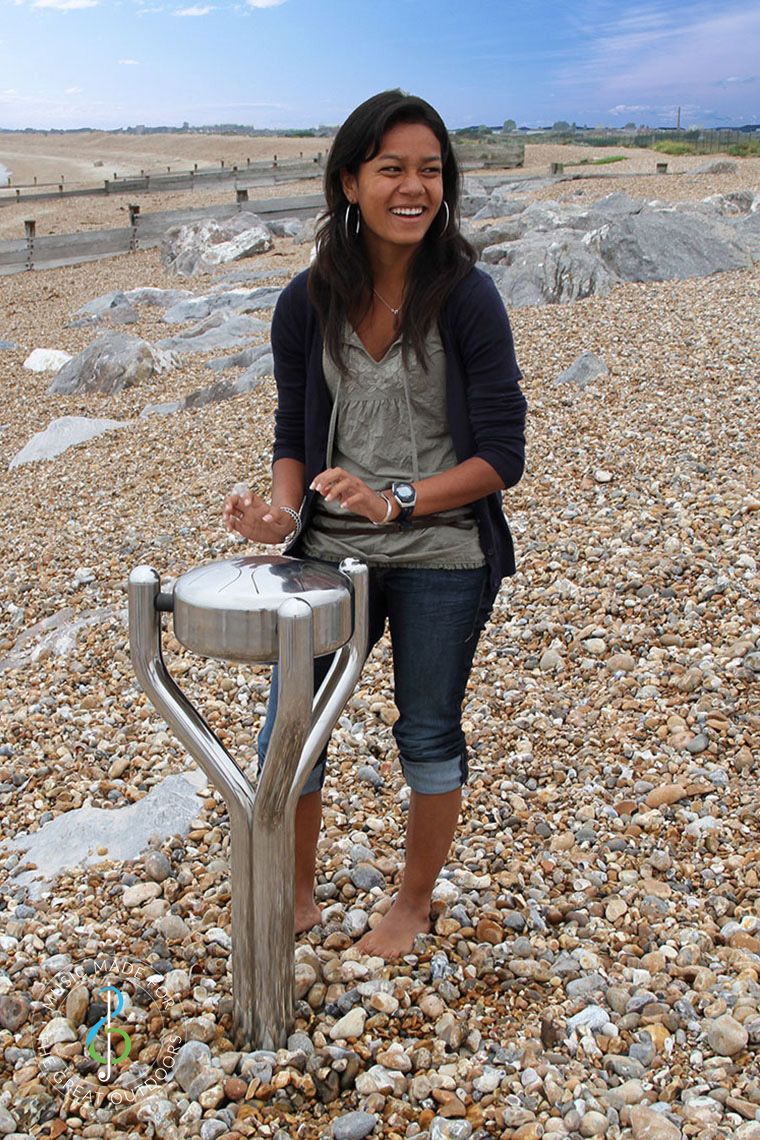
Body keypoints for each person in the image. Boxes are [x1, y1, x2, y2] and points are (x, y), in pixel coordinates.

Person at [223, 89, 527, 960]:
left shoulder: (468, 298)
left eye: (430, 170)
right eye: (391, 168)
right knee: (294, 725)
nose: (413, 187)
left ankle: (414, 902)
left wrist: (395, 499)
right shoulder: (305, 302)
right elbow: (294, 437)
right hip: (326, 553)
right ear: (350, 180)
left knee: (427, 727)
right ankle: (297, 888)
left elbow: (502, 454)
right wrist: (279, 514)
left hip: (443, 553)